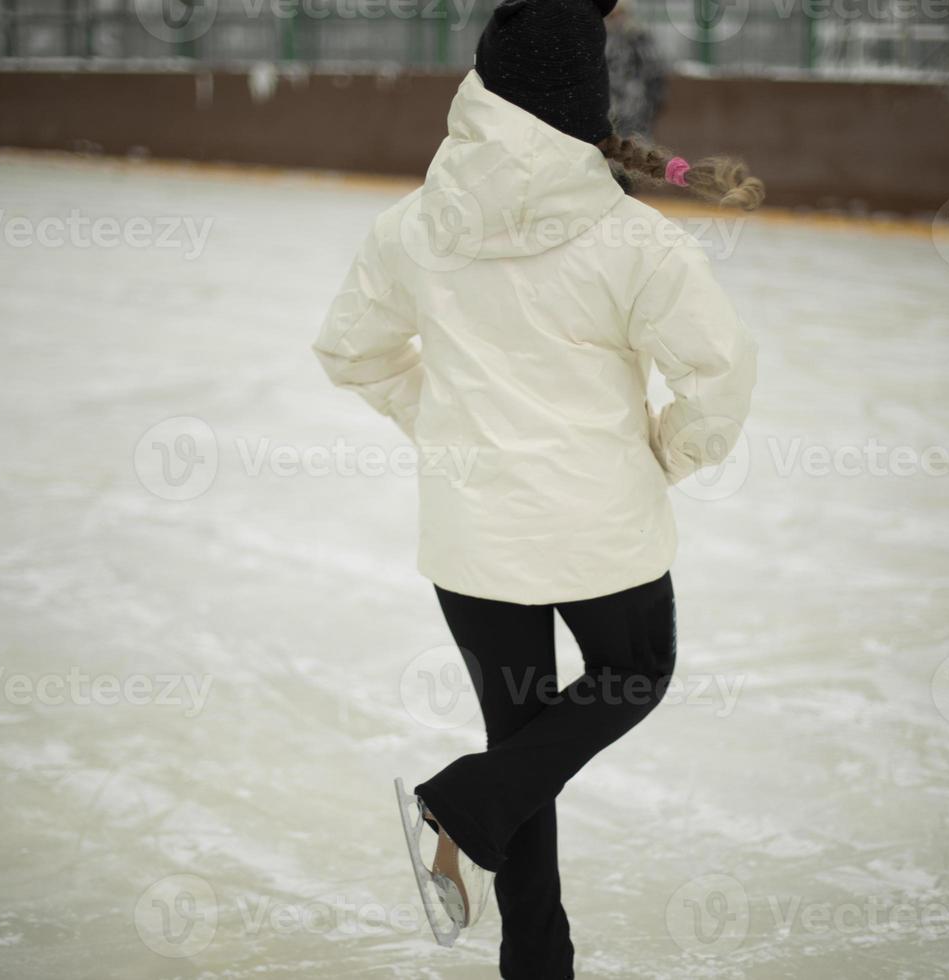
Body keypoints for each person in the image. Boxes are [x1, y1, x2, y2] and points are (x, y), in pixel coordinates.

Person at [313, 0, 763, 974]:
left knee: (524, 739)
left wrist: (436, 420)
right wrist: (666, 454)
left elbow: (351, 348)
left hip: (472, 539)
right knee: (632, 669)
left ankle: (535, 953)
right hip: (602, 529)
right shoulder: (635, 241)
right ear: (583, 103)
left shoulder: (413, 227)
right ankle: (468, 806)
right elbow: (719, 374)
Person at [605, 0, 667, 139]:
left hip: (634, 109)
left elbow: (654, 71)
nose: (615, 19)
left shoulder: (637, 35)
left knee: (635, 148)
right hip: (609, 110)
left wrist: (651, 104)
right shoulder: (600, 36)